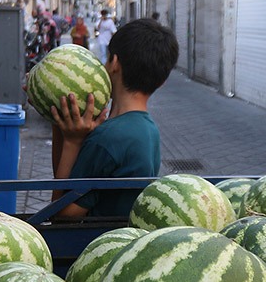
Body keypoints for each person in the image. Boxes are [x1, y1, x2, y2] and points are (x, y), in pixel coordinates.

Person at [50, 18, 177, 219]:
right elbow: (70, 184)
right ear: (162, 82)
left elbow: (60, 214)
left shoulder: (108, 139)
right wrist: (60, 125)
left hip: (93, 243)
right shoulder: (147, 129)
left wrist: (72, 142)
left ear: (114, 63)